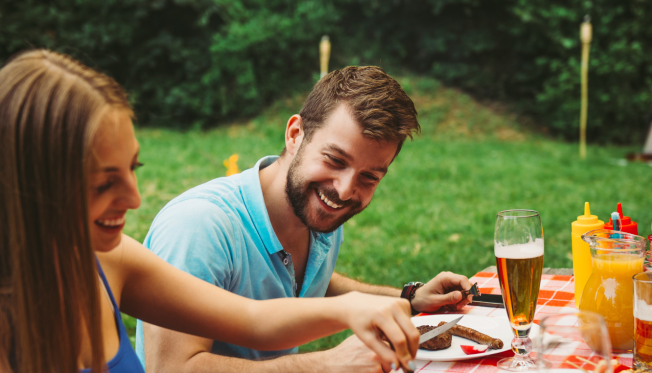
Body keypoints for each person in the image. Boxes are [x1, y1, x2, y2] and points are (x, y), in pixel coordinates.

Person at [0, 51, 421, 373]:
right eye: (104, 182)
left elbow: (255, 320)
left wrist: (362, 310)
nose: (134, 200)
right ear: (27, 180)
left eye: (132, 171)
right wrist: (329, 364)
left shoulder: (108, 258)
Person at [137, 66, 474, 373]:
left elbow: (312, 281)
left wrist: (406, 298)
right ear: (295, 134)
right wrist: (326, 366)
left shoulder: (318, 216)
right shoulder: (200, 226)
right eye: (335, 159)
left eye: (369, 177)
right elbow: (169, 367)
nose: (344, 190)